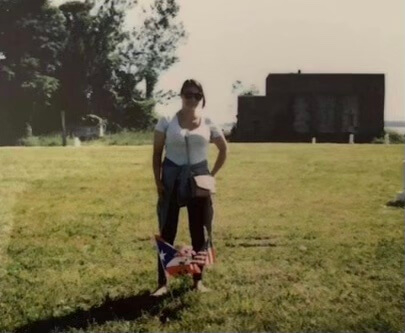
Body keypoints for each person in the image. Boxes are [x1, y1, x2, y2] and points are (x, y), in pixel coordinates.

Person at [152, 79, 228, 296]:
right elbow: (157, 153)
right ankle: (163, 283)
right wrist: (158, 181)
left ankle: (198, 281)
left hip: (199, 179)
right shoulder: (167, 120)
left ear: (201, 97)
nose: (192, 98)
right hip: (172, 177)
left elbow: (223, 150)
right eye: (188, 94)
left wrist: (210, 175)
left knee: (199, 231)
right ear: (181, 95)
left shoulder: (209, 122)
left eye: (197, 95)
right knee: (167, 231)